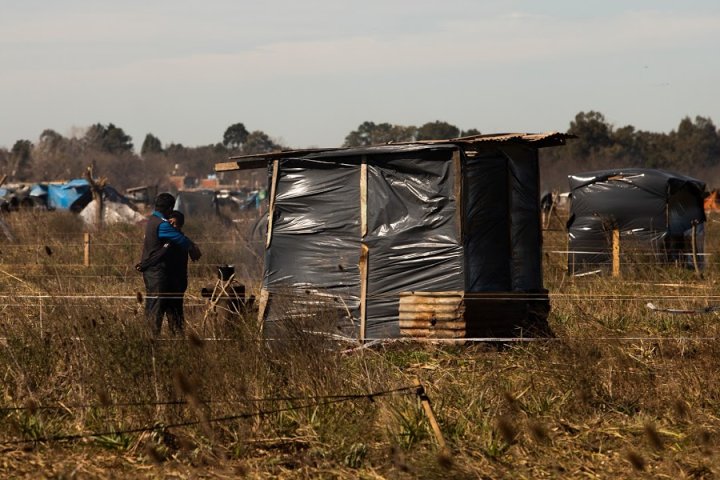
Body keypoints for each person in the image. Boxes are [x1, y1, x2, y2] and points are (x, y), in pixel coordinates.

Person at [138, 193, 201, 335]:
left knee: (167, 311)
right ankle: (151, 344)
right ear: (170, 208)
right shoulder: (161, 224)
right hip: (156, 275)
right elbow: (180, 239)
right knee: (155, 311)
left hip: (163, 277)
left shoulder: (153, 220)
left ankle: (171, 343)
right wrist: (192, 247)